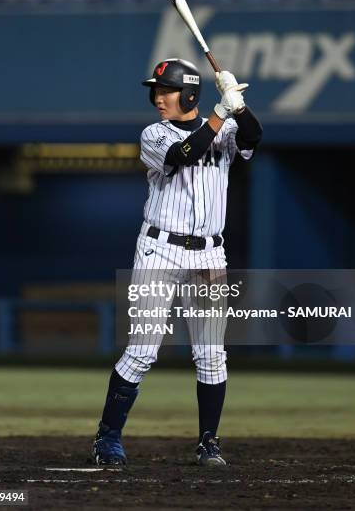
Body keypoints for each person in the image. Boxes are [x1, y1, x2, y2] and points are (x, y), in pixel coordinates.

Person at [91, 58, 262, 467]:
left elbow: (255, 136)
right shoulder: (154, 134)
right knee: (143, 350)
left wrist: (239, 106)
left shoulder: (227, 129)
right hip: (159, 251)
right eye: (156, 91)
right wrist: (221, 113)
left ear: (187, 94)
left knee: (211, 353)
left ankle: (208, 442)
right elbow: (186, 154)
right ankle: (108, 438)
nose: (157, 99)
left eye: (164, 91)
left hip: (208, 252)